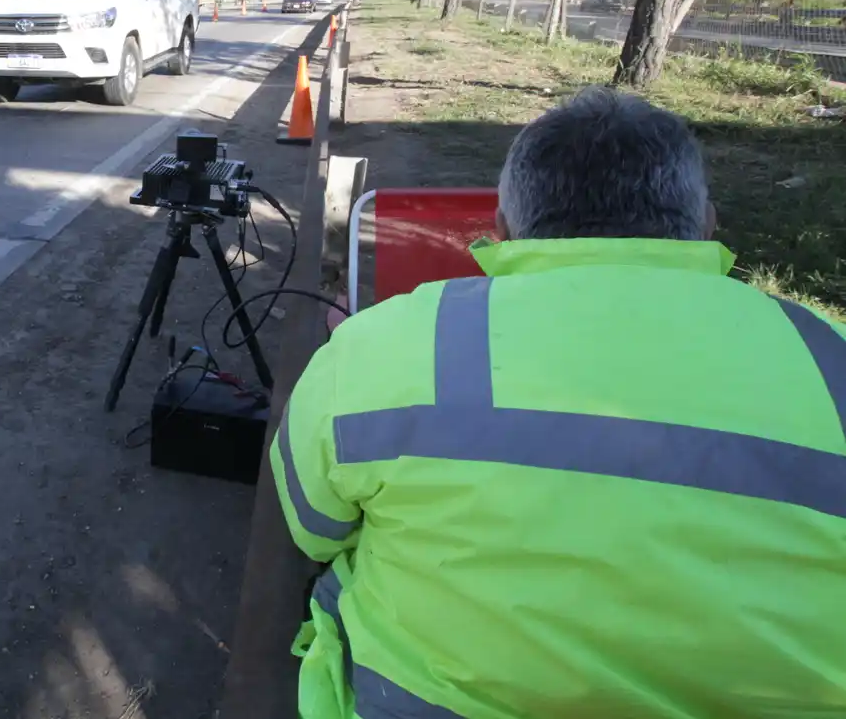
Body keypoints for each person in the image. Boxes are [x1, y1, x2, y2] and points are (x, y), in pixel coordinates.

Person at [272, 86, 846, 719]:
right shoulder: (829, 355)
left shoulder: (382, 346)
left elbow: (312, 529)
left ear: (500, 228)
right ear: (706, 224)